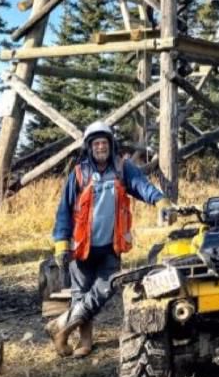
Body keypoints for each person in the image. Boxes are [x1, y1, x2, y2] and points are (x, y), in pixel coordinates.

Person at [46, 121, 172, 357]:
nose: (101, 147)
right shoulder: (79, 173)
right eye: (97, 143)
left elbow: (142, 186)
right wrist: (61, 242)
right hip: (81, 246)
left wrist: (160, 201)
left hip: (111, 245)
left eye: (105, 142)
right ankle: (84, 343)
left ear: (111, 145)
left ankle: (61, 325)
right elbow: (64, 210)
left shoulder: (123, 168)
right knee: (81, 293)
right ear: (90, 147)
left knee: (106, 288)